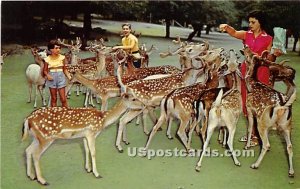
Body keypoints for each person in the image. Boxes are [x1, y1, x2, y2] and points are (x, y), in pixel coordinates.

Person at [219, 10, 282, 146]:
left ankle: (256, 136)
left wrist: (275, 54)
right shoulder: (246, 34)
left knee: (258, 104)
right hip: (246, 72)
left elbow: (270, 58)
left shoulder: (269, 38)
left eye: (253, 22)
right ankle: (252, 134)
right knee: (246, 103)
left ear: (261, 23)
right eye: (249, 22)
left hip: (261, 72)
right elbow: (234, 33)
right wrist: (226, 26)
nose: (250, 24)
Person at [43, 39, 71, 107]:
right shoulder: (47, 59)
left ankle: (66, 113)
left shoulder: (62, 58)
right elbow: (45, 70)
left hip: (61, 77)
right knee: (54, 98)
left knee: (63, 98)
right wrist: (47, 75)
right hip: (52, 78)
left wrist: (69, 77)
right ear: (51, 49)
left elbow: (64, 69)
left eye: (59, 48)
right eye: (56, 48)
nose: (58, 49)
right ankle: (54, 114)